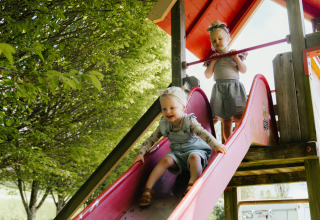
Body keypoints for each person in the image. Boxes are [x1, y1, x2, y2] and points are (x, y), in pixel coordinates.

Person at [133, 85, 227, 208]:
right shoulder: (164, 124)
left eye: (172, 107)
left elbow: (202, 132)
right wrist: (141, 152)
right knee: (166, 160)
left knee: (194, 157)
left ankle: (192, 186)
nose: (168, 112)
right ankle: (147, 190)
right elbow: (152, 139)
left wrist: (216, 145)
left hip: (195, 151)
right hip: (177, 155)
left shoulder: (189, 121)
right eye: (164, 109)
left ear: (183, 107)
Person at [204, 20, 248, 141]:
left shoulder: (234, 55)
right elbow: (207, 75)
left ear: (228, 38)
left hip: (234, 87)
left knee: (239, 115)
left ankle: (238, 137)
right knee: (226, 119)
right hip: (219, 88)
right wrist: (213, 62)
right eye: (214, 41)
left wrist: (236, 58)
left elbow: (243, 70)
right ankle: (228, 142)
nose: (217, 42)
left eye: (220, 38)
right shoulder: (214, 58)